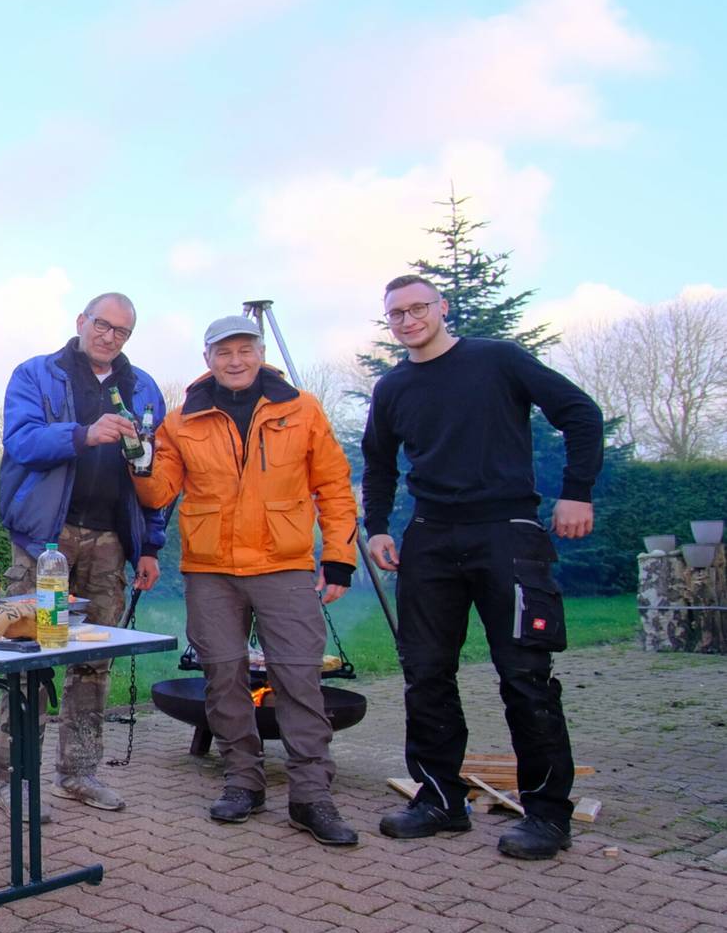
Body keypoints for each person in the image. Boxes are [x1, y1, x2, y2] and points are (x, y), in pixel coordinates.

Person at [362, 274, 604, 860]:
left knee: (525, 677)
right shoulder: (393, 387)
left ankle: (547, 815)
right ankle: (441, 800)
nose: (409, 320)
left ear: (442, 308)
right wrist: (375, 529)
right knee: (425, 672)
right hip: (431, 538)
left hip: (507, 534)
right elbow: (378, 466)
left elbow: (580, 413)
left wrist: (576, 491)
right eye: (396, 314)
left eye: (418, 308)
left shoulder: (498, 361)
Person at [134, 316, 361, 846]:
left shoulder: (301, 408)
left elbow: (334, 486)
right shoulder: (180, 419)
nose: (234, 361)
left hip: (284, 564)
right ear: (207, 357)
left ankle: (311, 797)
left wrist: (340, 557)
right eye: (223, 352)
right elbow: (158, 494)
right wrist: (139, 462)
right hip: (211, 569)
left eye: (244, 350)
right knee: (223, 677)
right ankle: (243, 781)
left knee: (300, 679)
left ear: (259, 352)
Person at [0, 292, 167, 815]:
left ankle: (80, 773)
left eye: (121, 331)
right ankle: (13, 779)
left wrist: (151, 543)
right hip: (46, 541)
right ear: (81, 322)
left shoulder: (144, 390)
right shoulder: (37, 374)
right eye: (102, 324)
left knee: (94, 661)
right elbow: (21, 442)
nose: (109, 336)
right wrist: (83, 434)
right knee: (29, 657)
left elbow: (156, 475)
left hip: (112, 543)